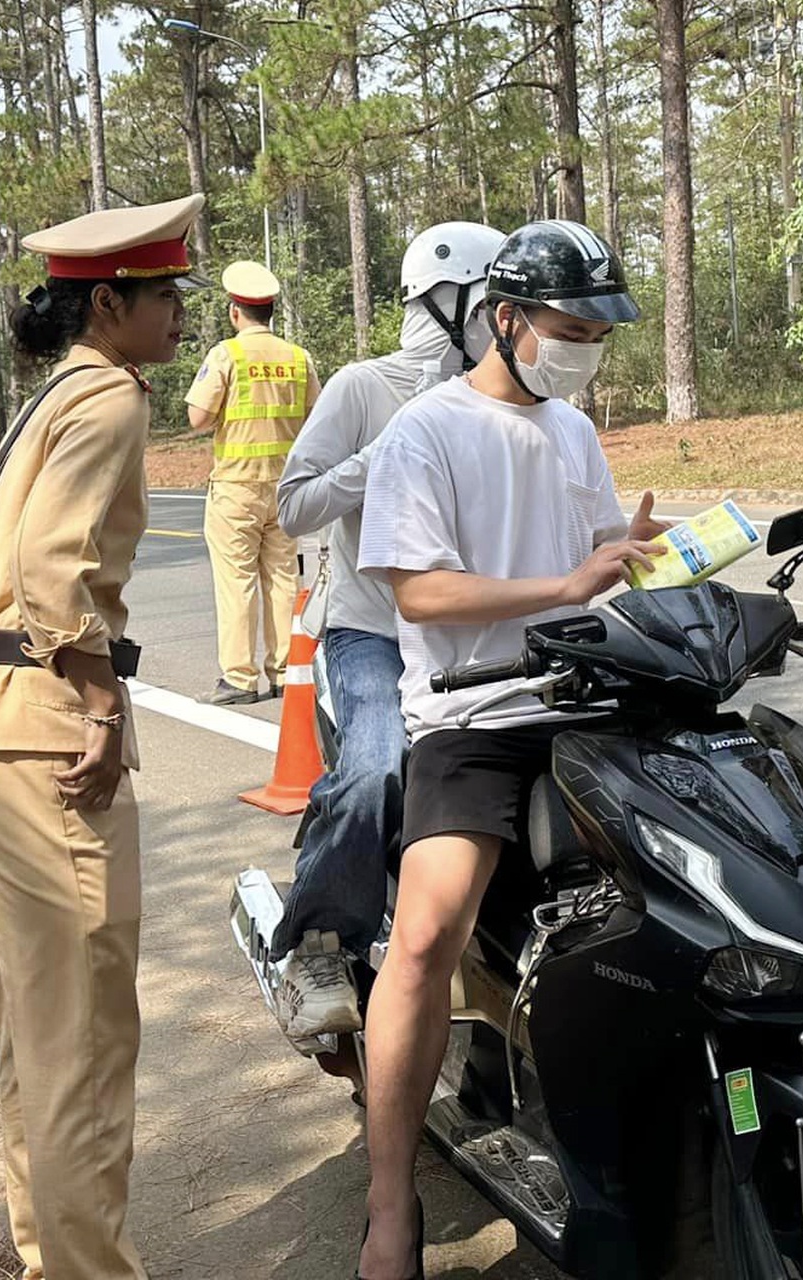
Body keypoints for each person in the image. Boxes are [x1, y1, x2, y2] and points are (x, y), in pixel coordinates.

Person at [351, 219, 667, 1279]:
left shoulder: (572, 429)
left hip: (583, 700)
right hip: (471, 715)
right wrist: (562, 586)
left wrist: (626, 549)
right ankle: (390, 1202)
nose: (583, 346)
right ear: (507, 318)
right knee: (427, 929)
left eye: (596, 332)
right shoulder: (425, 432)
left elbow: (589, 551)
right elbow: (419, 587)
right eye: (568, 327)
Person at [0, 193, 203, 1280]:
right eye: (165, 295)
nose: (179, 313)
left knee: (38, 1040)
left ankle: (53, 1254)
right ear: (110, 303)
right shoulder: (109, 400)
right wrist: (99, 703)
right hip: (50, 738)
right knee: (85, 1049)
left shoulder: (45, 399)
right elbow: (56, 577)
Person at [265, 221, 507, 1041]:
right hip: (372, 631)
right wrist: (381, 457)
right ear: (453, 301)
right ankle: (318, 942)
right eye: (494, 302)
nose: (505, 320)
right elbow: (293, 505)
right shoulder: (363, 388)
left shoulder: (496, 396)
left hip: (468, 633)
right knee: (375, 769)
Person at [186, 259, 321, 705]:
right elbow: (316, 419)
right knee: (283, 577)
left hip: (236, 489)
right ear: (271, 311)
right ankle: (285, 669)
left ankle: (240, 678)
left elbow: (198, 418)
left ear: (234, 311)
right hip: (284, 488)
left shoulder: (226, 355)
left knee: (237, 581)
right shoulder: (298, 358)